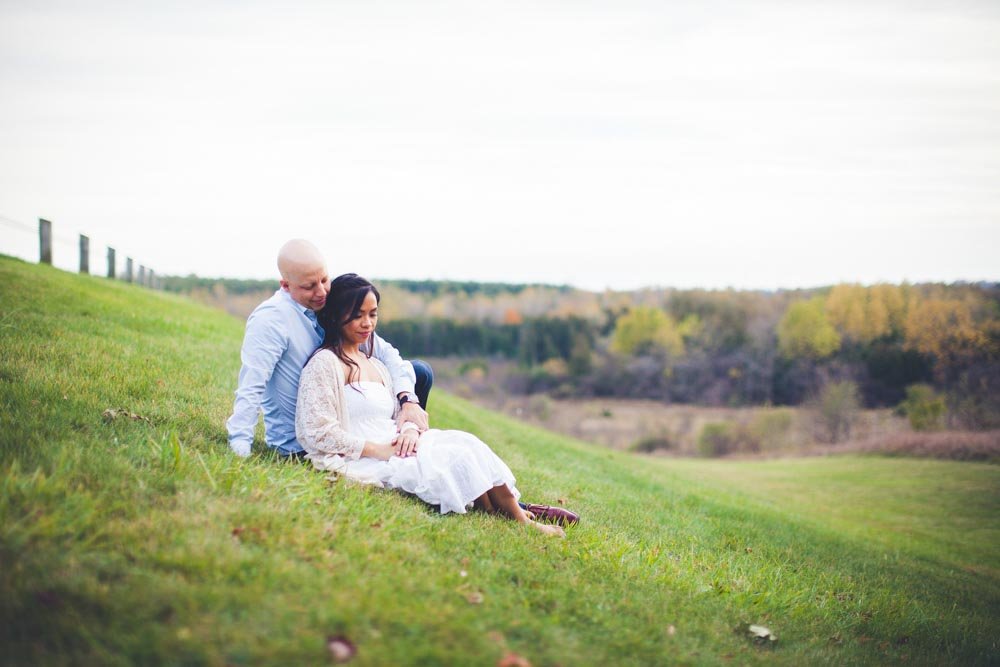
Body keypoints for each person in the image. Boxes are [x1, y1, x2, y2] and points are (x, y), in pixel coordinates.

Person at [295, 273, 571, 536]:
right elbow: (315, 431)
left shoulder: (375, 364)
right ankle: (519, 518)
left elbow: (396, 412)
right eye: (357, 316)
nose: (367, 323)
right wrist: (378, 450)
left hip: (397, 440)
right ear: (335, 317)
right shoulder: (325, 364)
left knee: (466, 443)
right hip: (367, 453)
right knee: (451, 458)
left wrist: (409, 431)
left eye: (372, 314)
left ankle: (509, 512)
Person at [226, 239, 431, 458]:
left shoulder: (329, 305)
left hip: (350, 418)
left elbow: (389, 356)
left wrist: (408, 400)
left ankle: (407, 438)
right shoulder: (271, 320)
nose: (322, 291)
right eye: (309, 286)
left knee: (419, 372)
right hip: (305, 438)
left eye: (324, 280)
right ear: (285, 285)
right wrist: (240, 444)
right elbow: (252, 384)